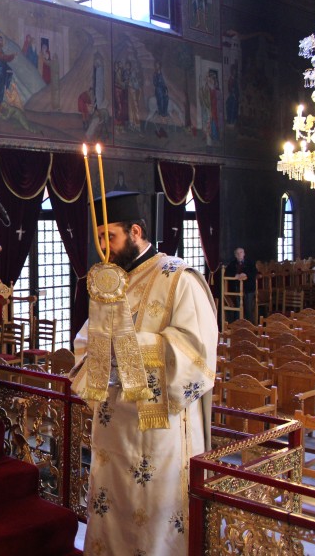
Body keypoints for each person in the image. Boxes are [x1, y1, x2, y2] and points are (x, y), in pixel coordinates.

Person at [70, 191, 217, 556]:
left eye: (110, 237)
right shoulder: (110, 282)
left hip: (158, 430)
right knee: (112, 511)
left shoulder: (178, 278)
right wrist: (102, 354)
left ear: (135, 232)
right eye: (99, 238)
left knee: (151, 522)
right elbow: (87, 341)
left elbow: (197, 352)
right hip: (113, 428)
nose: (103, 249)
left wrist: (130, 348)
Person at [225, 247, 258, 322]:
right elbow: (227, 273)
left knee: (248, 308)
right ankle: (238, 325)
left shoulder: (250, 262)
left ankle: (250, 325)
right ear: (235, 255)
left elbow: (254, 272)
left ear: (244, 254)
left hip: (248, 289)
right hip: (237, 289)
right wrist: (235, 275)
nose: (239, 254)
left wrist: (245, 274)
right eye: (237, 253)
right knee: (238, 308)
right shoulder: (232, 263)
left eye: (241, 252)